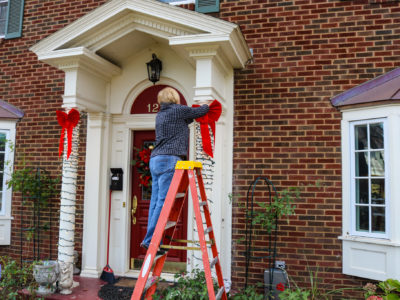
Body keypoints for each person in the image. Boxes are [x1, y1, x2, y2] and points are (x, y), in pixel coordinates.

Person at [140, 87, 210, 254]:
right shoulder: (178, 110)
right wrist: (208, 104)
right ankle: (151, 240)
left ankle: (151, 239)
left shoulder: (161, 115)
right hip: (169, 159)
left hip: (155, 159)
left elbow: (185, 121)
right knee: (164, 202)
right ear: (175, 98)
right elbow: (201, 111)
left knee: (156, 202)